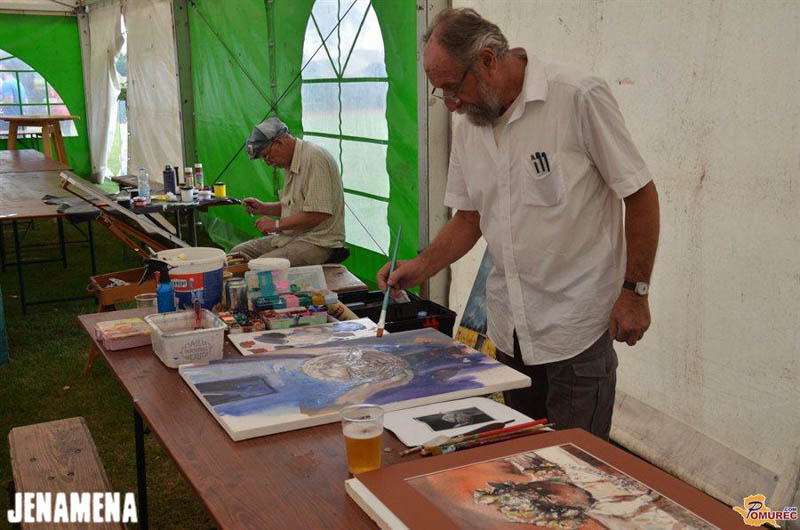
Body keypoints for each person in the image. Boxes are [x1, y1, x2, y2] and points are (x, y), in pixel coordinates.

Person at [378, 8, 660, 440]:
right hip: (509, 331)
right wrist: (421, 266)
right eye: (441, 92)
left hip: (576, 330)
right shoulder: (471, 125)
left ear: (488, 60)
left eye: (452, 87)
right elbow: (469, 217)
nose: (450, 104)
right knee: (520, 457)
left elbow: (639, 194)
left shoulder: (576, 96)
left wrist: (634, 292)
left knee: (576, 464)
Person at [232, 117, 346, 266]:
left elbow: (319, 213)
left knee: (261, 267)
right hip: (292, 238)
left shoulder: (314, 158)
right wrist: (263, 207)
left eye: (266, 156)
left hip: (318, 242)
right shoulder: (291, 162)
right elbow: (295, 207)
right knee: (236, 255)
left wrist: (276, 225)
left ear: (279, 143)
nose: (268, 163)